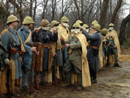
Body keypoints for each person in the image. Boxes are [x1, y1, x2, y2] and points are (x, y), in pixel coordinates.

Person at [1, 15, 25, 97]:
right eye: (16, 21)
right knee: (8, 77)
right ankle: (7, 93)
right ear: (12, 22)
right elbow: (3, 47)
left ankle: (11, 91)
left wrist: (19, 56)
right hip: (9, 58)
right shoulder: (6, 33)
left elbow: (17, 46)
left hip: (15, 58)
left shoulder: (15, 33)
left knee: (13, 77)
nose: (17, 23)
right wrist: (5, 58)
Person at [61, 23, 91, 91]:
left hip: (77, 56)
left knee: (79, 70)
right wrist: (62, 41)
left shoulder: (82, 36)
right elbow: (67, 42)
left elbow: (79, 44)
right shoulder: (72, 36)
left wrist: (70, 45)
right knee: (67, 69)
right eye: (74, 28)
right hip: (70, 55)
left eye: (76, 28)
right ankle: (68, 83)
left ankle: (80, 85)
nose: (74, 29)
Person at [32, 19, 58, 84]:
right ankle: (36, 80)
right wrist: (34, 32)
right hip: (39, 50)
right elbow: (33, 39)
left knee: (45, 65)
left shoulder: (48, 32)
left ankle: (42, 80)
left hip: (47, 50)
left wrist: (55, 33)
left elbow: (54, 39)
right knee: (38, 64)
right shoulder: (38, 31)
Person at [18, 16, 38, 91]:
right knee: (22, 70)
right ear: (28, 23)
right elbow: (21, 43)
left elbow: (30, 42)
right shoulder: (21, 31)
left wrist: (34, 48)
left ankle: (30, 87)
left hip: (29, 55)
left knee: (29, 71)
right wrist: (30, 48)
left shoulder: (29, 31)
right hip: (23, 54)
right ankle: (22, 86)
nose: (32, 25)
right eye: (31, 23)